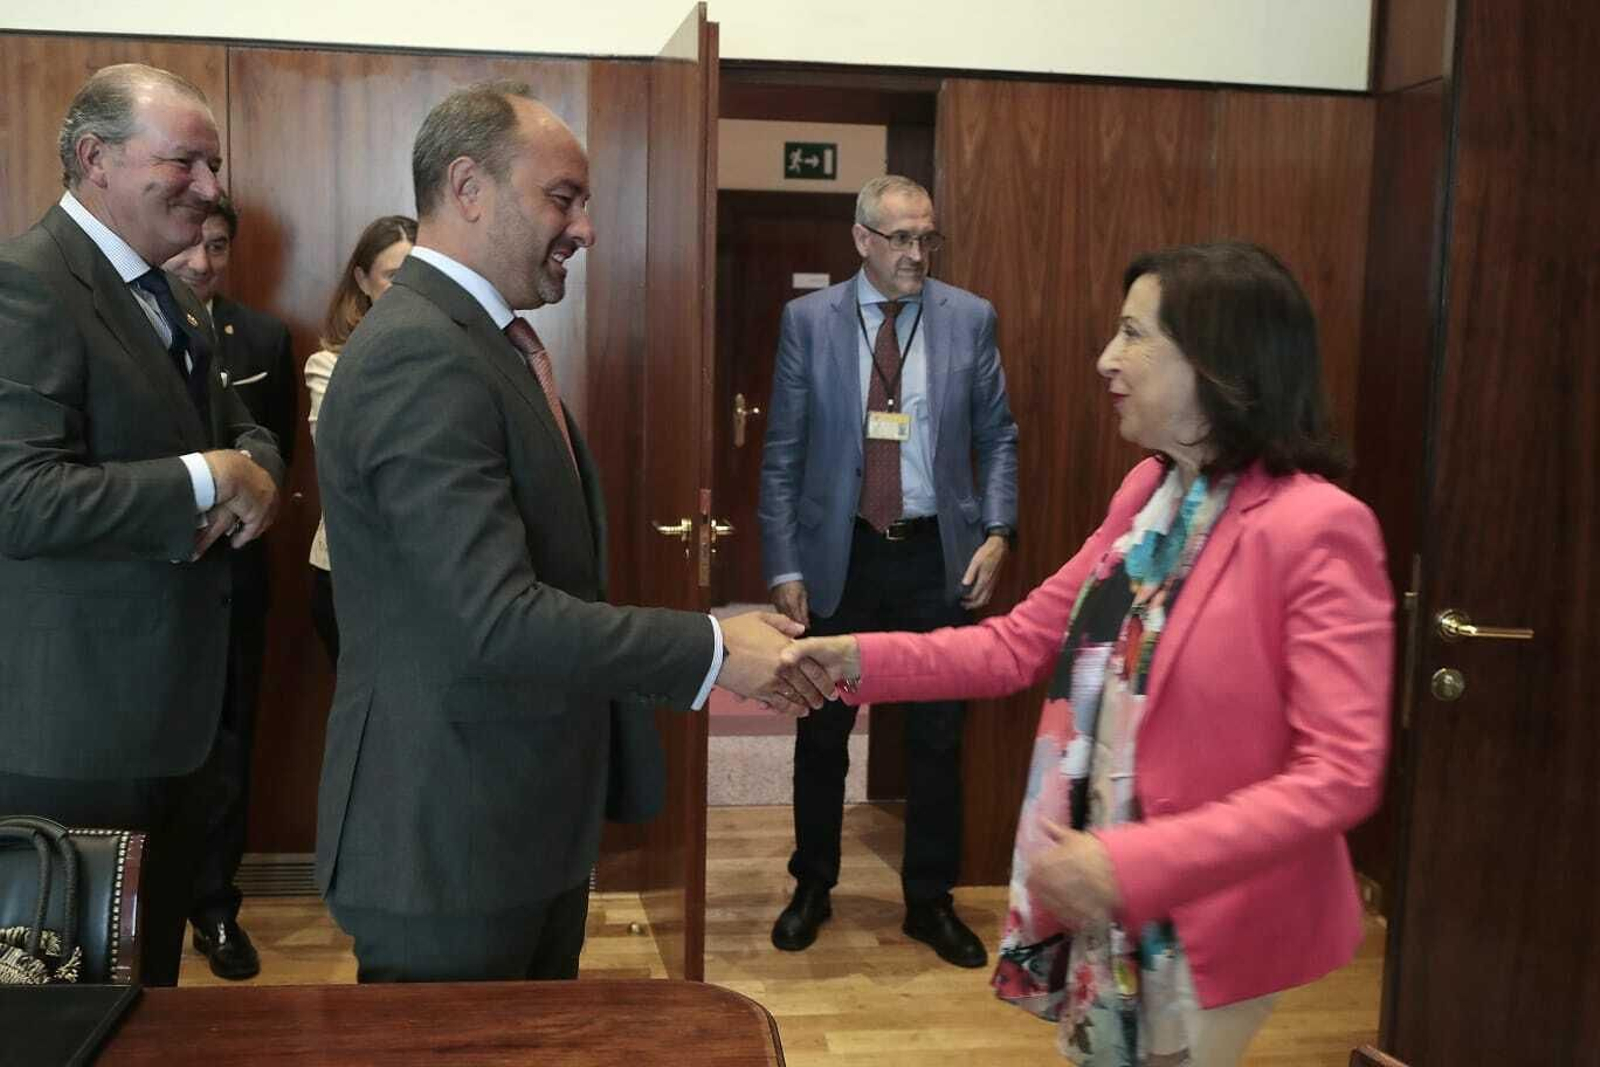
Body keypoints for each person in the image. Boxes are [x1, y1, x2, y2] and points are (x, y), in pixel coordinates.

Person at [786, 241, 1394, 1065]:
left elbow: (1342, 772)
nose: (1108, 359)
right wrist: (854, 657)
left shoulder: (1318, 528)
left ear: (1218, 363)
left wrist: (1128, 861)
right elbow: (1016, 643)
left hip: (1203, 911)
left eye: (1134, 334)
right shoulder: (1150, 492)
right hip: (1104, 882)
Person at [313, 80, 827, 983]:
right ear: (469, 188)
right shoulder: (417, 353)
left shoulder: (479, 338)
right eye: (563, 198)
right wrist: (711, 649)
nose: (585, 228)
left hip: (513, 820)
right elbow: (497, 616)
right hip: (447, 838)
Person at [0, 63, 285, 986]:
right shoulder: (27, 284)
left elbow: (241, 431)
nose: (210, 189)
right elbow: (22, 495)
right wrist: (210, 476)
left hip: (171, 723)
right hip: (79, 734)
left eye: (213, 165)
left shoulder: (167, 293)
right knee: (68, 1011)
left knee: (147, 988)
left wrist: (256, 474)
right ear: (95, 159)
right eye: (186, 163)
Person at [758, 175, 1019, 967]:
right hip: (843, 552)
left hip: (936, 552)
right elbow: (783, 454)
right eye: (901, 238)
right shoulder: (808, 321)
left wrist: (999, 531)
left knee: (938, 735)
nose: (917, 254)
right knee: (822, 728)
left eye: (927, 238)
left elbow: (999, 436)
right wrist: (783, 563)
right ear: (862, 239)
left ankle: (929, 901)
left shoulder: (968, 318)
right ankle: (812, 885)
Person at [160, 191, 298, 980]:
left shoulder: (265, 336)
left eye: (219, 246)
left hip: (237, 576)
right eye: (191, 244)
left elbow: (273, 447)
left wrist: (258, 492)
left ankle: (215, 909)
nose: (202, 263)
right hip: (144, 580)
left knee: (229, 746)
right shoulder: (123, 322)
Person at [303, 214, 417, 666]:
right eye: (393, 276)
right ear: (362, 280)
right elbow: (353, 458)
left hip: (433, 573)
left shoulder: (456, 352)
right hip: (351, 570)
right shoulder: (329, 365)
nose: (407, 290)